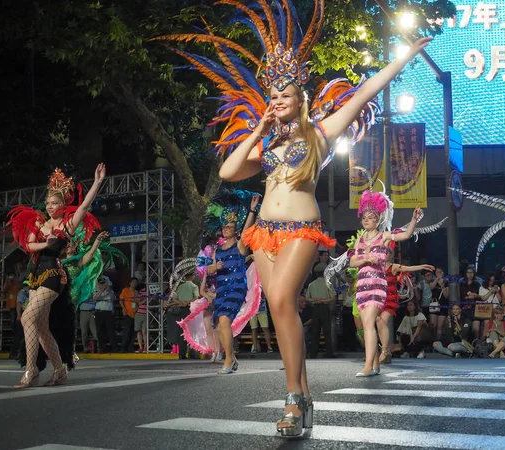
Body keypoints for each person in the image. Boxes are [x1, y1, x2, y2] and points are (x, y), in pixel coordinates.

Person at [168, 0, 431, 435]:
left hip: (300, 231)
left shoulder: (322, 133)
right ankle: (303, 398)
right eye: (272, 96)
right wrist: (257, 128)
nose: (278, 101)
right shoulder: (268, 147)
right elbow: (227, 171)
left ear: (301, 98)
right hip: (263, 234)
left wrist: (403, 58)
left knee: (286, 302)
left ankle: (293, 399)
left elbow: (365, 91)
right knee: (277, 309)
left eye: (285, 95)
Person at [7, 164, 104, 387]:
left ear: (64, 203)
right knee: (40, 326)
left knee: (27, 318)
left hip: (54, 275)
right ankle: (60, 369)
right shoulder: (39, 222)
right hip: (35, 275)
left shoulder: (67, 225)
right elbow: (30, 246)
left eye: (56, 203)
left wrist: (97, 182)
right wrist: (46, 242)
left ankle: (32, 371)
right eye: (48, 203)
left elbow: (86, 205)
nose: (51, 207)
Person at [348, 187, 421, 377]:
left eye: (370, 217)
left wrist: (413, 219)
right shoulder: (360, 239)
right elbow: (353, 261)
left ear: (378, 218)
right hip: (362, 285)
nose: (366, 219)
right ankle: (374, 366)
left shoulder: (385, 236)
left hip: (377, 285)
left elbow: (405, 236)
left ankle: (367, 366)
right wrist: (366, 259)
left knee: (369, 321)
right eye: (364, 216)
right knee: (366, 325)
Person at [207, 194, 259, 374]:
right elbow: (208, 270)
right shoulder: (217, 250)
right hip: (221, 289)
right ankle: (232, 358)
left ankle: (228, 361)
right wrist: (214, 267)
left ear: (235, 230)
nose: (226, 229)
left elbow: (248, 228)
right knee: (220, 325)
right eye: (224, 227)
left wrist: (252, 210)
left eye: (229, 227)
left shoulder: (240, 245)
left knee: (224, 320)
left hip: (236, 287)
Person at [377, 254, 434, 363]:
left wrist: (422, 266)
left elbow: (408, 268)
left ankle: (385, 350)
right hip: (378, 298)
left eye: (386, 253)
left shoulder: (393, 267)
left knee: (381, 321)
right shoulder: (375, 267)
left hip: (390, 299)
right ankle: (384, 349)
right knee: (377, 323)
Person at [305, 262, 336, 359]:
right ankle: (329, 353)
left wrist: (315, 300)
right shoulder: (328, 284)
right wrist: (323, 300)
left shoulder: (311, 284)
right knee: (327, 331)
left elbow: (307, 298)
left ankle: (313, 353)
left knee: (315, 331)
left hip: (315, 309)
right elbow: (333, 297)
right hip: (325, 308)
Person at [167, 272, 199, 359]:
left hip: (180, 310)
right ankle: (192, 353)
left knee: (182, 332)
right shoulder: (194, 286)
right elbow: (196, 297)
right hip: (190, 310)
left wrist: (181, 303)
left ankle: (182, 354)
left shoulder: (180, 286)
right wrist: (187, 302)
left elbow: (174, 298)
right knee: (192, 331)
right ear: (192, 277)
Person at [93, 275, 118, 353]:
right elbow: (95, 298)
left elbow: (113, 298)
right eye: (101, 284)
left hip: (108, 313)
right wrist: (101, 291)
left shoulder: (110, 291)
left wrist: (108, 290)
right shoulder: (96, 291)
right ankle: (101, 348)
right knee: (100, 331)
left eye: (104, 283)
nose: (102, 285)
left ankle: (114, 348)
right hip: (99, 313)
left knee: (110, 331)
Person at [429, 268, 450, 340]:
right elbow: (431, 287)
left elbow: (446, 295)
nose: (439, 273)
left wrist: (443, 286)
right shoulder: (432, 280)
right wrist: (437, 279)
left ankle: (437, 342)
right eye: (437, 272)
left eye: (440, 272)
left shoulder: (446, 282)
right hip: (434, 304)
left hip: (443, 305)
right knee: (433, 326)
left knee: (439, 326)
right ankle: (432, 341)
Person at [119, 277, 139, 353]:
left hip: (135, 314)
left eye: (135, 282)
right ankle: (123, 347)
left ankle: (130, 347)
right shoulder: (125, 290)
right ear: (130, 283)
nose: (134, 283)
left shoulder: (136, 292)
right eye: (133, 282)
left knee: (133, 332)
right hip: (128, 313)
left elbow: (137, 302)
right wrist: (124, 308)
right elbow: (121, 300)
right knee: (126, 332)